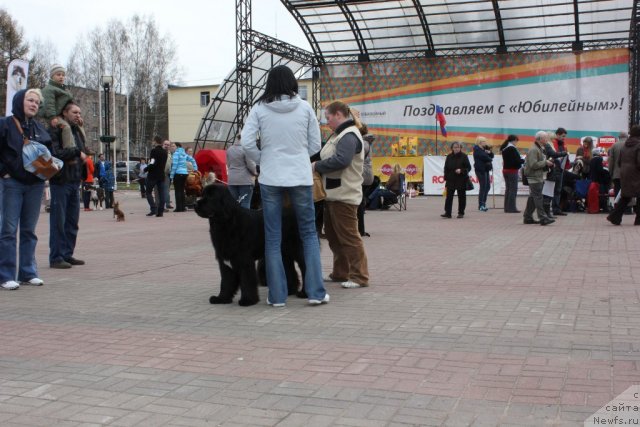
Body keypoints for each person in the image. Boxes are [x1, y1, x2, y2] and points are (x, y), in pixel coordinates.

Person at [242, 65, 328, 306]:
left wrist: (263, 159)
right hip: (300, 176)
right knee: (309, 234)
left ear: (269, 83)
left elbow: (247, 142)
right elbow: (315, 145)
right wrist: (299, 156)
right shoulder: (304, 107)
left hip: (271, 177)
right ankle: (315, 293)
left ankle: (277, 296)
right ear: (292, 83)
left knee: (272, 237)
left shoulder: (259, 108)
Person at [314, 100, 369, 289]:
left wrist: (316, 166)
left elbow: (342, 160)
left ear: (338, 114)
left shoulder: (349, 135)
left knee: (349, 238)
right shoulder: (338, 134)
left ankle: (360, 276)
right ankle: (340, 273)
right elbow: (325, 155)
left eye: (328, 118)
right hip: (333, 195)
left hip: (344, 195)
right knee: (334, 237)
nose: (326, 122)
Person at [0, 89, 51, 290]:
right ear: (19, 101)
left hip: (35, 185)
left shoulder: (39, 128)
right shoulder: (5, 124)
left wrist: (47, 173)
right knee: (8, 230)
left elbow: (49, 153)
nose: (33, 104)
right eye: (30, 100)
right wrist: (3, 172)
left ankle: (28, 272)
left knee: (29, 230)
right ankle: (5, 275)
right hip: (11, 184)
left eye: (37, 102)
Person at [49, 101, 88, 269]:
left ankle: (67, 253)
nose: (78, 115)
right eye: (75, 112)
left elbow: (82, 150)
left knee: (72, 221)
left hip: (74, 180)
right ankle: (56, 257)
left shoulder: (75, 131)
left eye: (79, 113)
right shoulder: (57, 129)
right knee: (59, 220)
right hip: (60, 180)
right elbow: (55, 153)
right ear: (65, 113)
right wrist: (77, 152)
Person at [39, 64, 86, 150]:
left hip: (62, 114)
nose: (61, 77)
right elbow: (49, 104)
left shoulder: (64, 90)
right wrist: (52, 117)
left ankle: (84, 146)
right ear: (52, 76)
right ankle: (70, 148)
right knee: (66, 127)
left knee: (79, 124)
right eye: (58, 75)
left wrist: (77, 115)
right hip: (54, 116)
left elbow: (70, 102)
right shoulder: (49, 89)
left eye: (63, 75)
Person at [607, 125, 640, 225]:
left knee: (626, 196)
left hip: (624, 172)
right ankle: (638, 220)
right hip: (636, 174)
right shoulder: (639, 145)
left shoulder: (626, 145)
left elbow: (619, 161)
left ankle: (615, 217)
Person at [523, 131, 555, 226]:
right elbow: (533, 164)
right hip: (534, 176)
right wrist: (545, 162)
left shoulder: (538, 148)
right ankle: (543, 218)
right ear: (540, 139)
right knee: (538, 197)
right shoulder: (534, 149)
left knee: (533, 197)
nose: (547, 140)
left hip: (537, 176)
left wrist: (545, 162)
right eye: (545, 138)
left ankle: (528, 217)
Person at [441, 141, 471, 219]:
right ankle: (448, 213)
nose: (456, 149)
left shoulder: (464, 156)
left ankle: (461, 212)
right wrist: (446, 178)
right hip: (450, 179)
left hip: (461, 179)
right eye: (455, 147)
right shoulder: (449, 156)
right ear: (452, 148)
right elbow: (446, 168)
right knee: (449, 197)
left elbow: (468, 168)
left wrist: (461, 170)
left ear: (460, 148)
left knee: (461, 197)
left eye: (458, 147)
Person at [227, 136, 257, 209]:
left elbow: (228, 164)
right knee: (245, 202)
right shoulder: (246, 149)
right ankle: (245, 220)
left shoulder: (229, 149)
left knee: (233, 202)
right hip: (245, 180)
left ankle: (233, 219)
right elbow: (251, 165)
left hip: (232, 180)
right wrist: (255, 173)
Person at [169, 142, 197, 212]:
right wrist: (195, 168)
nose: (172, 147)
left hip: (178, 174)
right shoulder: (184, 153)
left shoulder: (176, 154)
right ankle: (183, 207)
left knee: (177, 191)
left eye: (173, 146)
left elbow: (174, 166)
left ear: (177, 147)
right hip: (185, 174)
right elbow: (192, 159)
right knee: (182, 191)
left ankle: (179, 208)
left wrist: (171, 176)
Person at [500, 134, 524, 213]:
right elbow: (515, 161)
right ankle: (511, 208)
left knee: (508, 189)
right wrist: (523, 160)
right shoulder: (512, 148)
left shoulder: (505, 148)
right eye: (516, 141)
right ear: (514, 140)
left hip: (506, 170)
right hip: (512, 171)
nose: (516, 143)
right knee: (513, 189)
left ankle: (507, 207)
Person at [145, 138, 168, 217]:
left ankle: (153, 209)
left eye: (153, 141)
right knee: (161, 193)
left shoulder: (154, 151)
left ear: (155, 141)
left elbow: (152, 162)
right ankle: (160, 211)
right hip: (161, 175)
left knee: (148, 192)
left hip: (153, 175)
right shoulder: (165, 152)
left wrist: (146, 169)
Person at [358, 132, 374, 237]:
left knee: (359, 203)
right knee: (361, 202)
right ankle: (361, 229)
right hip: (367, 176)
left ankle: (360, 229)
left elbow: (356, 159)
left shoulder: (363, 143)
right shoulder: (367, 144)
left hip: (362, 175)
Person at [472, 136, 494, 211]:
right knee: (483, 186)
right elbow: (486, 158)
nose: (485, 143)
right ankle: (481, 204)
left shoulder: (484, 149)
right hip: (480, 170)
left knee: (487, 186)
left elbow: (491, 155)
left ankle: (483, 203)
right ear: (480, 142)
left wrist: (490, 152)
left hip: (486, 169)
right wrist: (489, 156)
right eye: (484, 141)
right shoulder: (477, 149)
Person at [608, 131, 627, 199]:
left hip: (617, 174)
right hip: (628, 174)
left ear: (619, 137)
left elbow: (611, 161)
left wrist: (610, 173)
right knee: (627, 193)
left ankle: (618, 207)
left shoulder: (614, 146)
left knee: (617, 192)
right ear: (627, 137)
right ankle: (627, 208)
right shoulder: (630, 145)